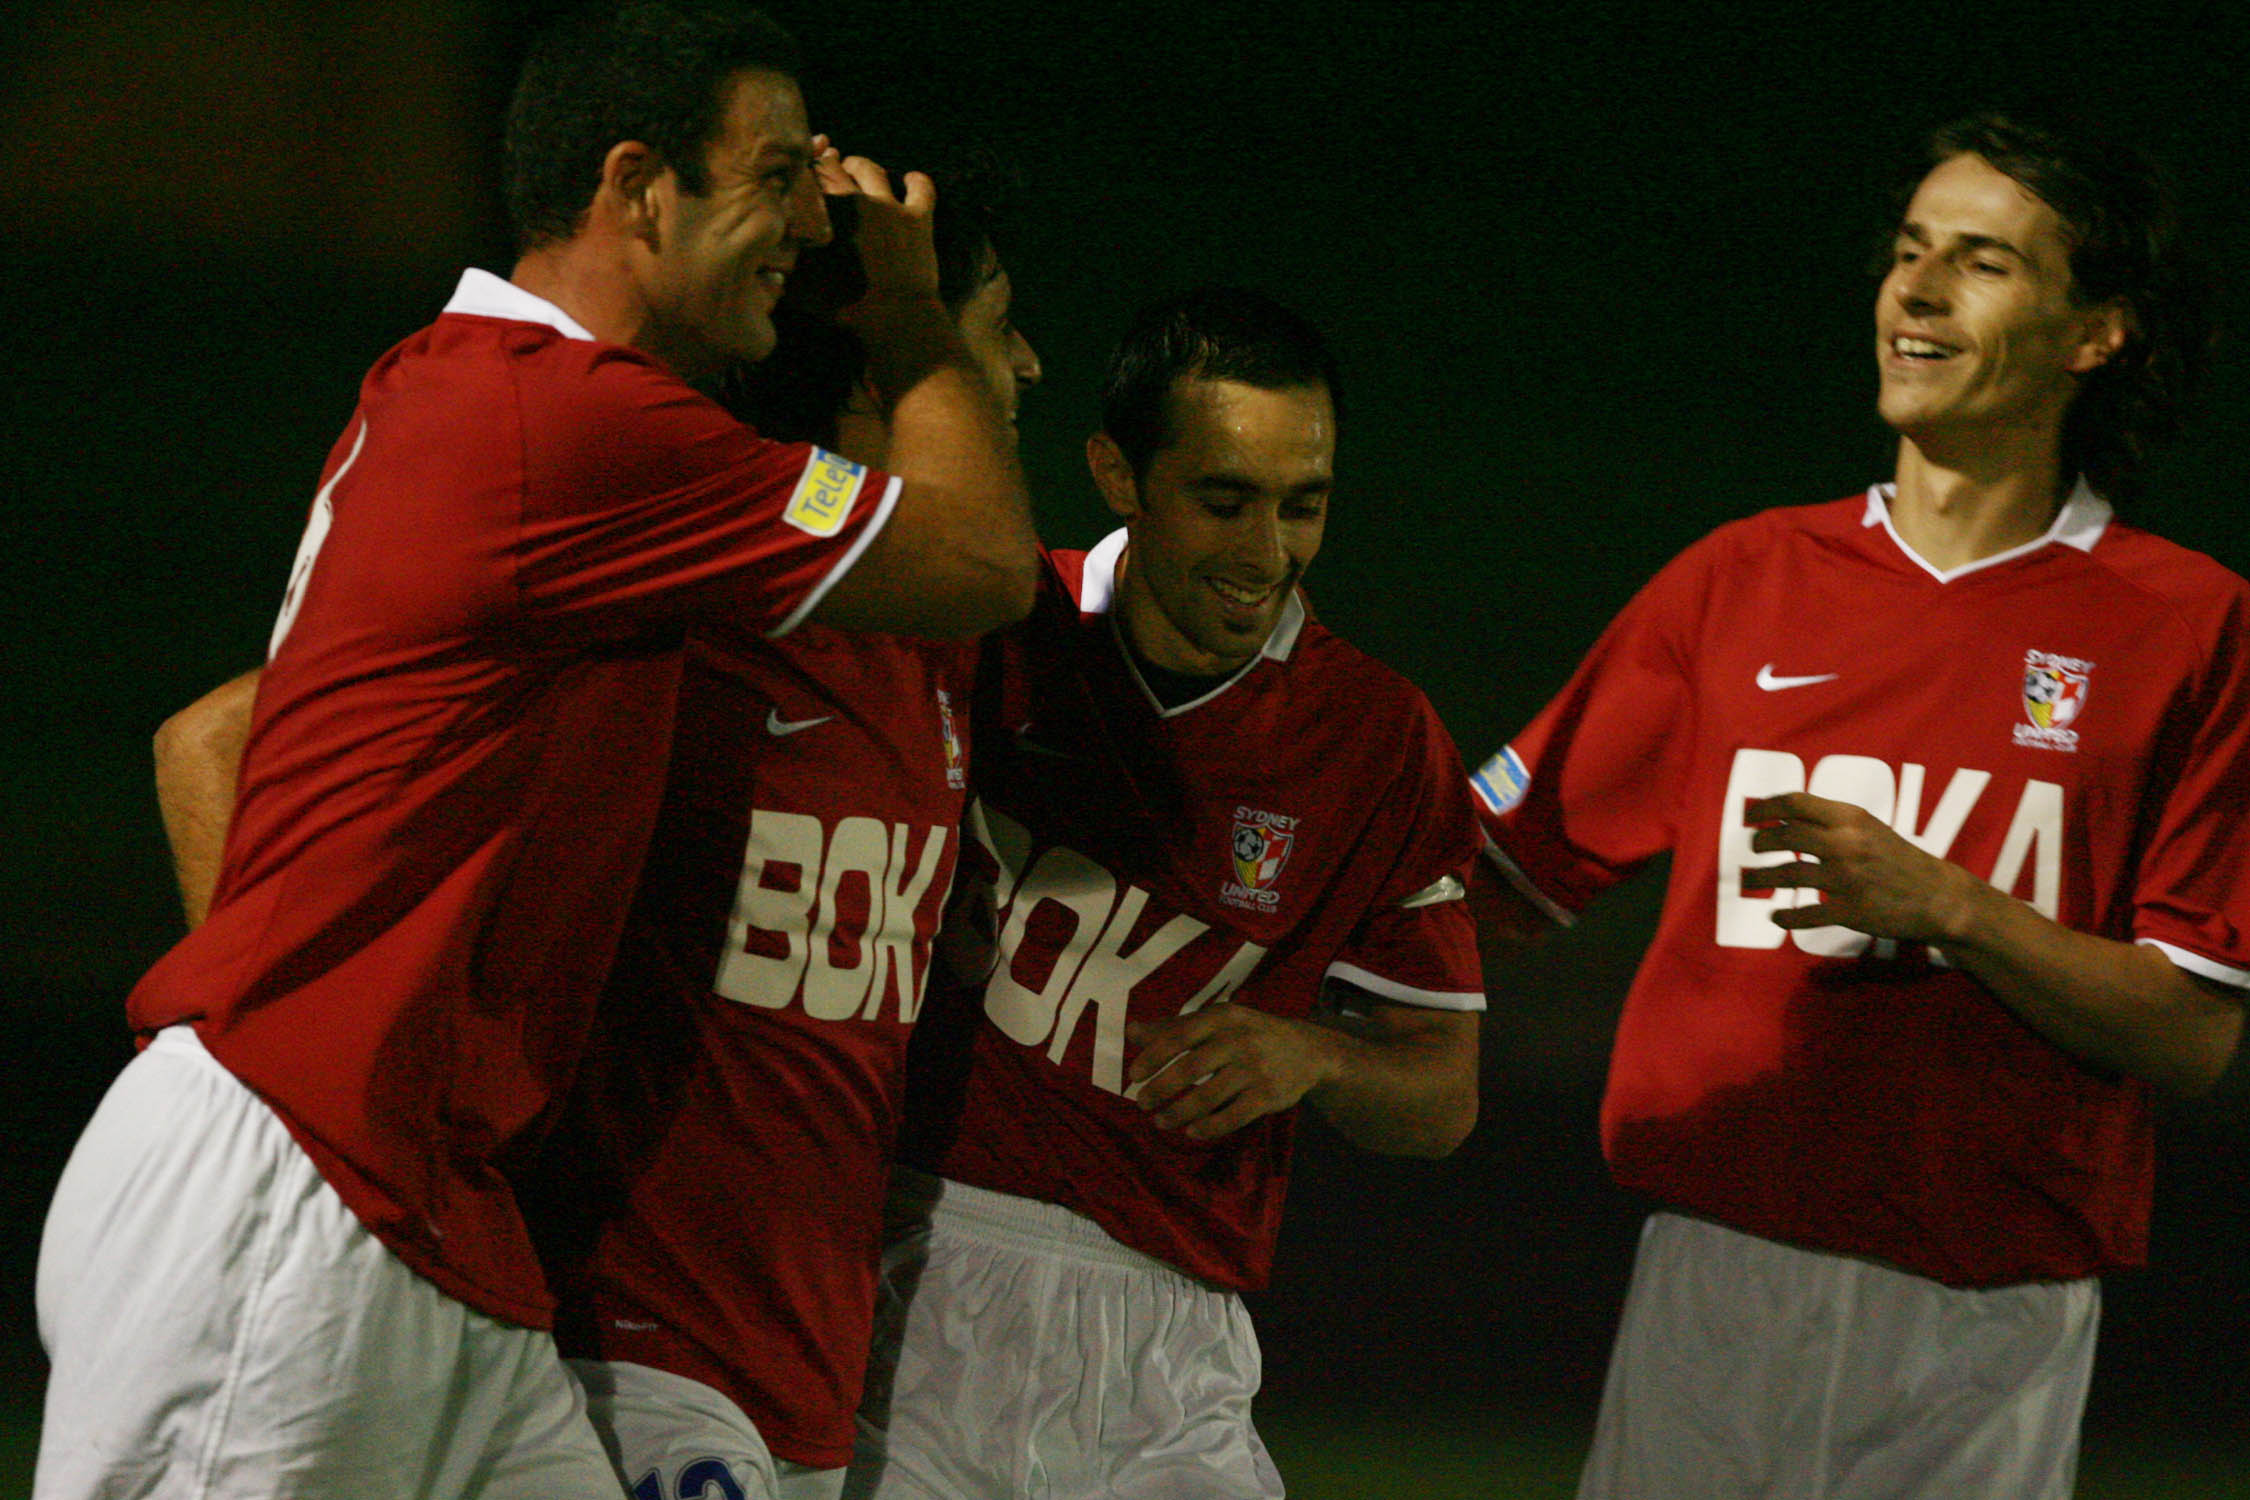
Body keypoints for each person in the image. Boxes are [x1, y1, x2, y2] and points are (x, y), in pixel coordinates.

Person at [35, 3, 1035, 1495]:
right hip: (296, 1196)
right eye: (772, 179)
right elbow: (978, 562)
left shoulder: (503, 393)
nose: (803, 226)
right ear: (637, 187)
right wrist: (909, 314)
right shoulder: (566, 419)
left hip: (440, 1222)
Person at [1468, 113, 2248, 1499]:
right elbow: (1487, 879)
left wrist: (1952, 907)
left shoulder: (2190, 627)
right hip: (1713, 1283)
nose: (1918, 291)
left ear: (2095, 333)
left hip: (1989, 1328)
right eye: (1907, 252)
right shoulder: (1741, 579)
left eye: (1983, 262)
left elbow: (2190, 1030)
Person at [847, 287, 1486, 1500]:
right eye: (1224, 501)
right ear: (1117, 474)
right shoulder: (990, 627)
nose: (1266, 553)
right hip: (917, 1269)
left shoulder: (1377, 738)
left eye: (1304, 505)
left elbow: (1441, 1095)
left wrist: (1313, 1055)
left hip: (1174, 1339)